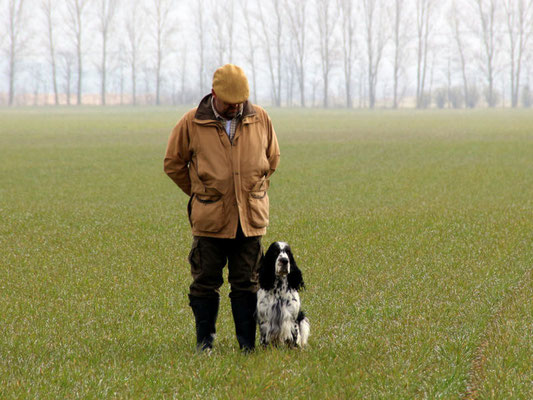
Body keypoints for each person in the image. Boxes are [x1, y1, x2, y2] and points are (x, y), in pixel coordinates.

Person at [164, 64, 280, 352]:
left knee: (247, 284)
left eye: (240, 101)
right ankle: (205, 344)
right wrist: (201, 194)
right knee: (205, 283)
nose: (235, 107)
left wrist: (253, 192)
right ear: (214, 93)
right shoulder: (191, 122)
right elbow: (173, 164)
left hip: (249, 220)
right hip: (210, 222)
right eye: (229, 103)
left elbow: (272, 159)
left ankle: (247, 346)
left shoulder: (261, 118)